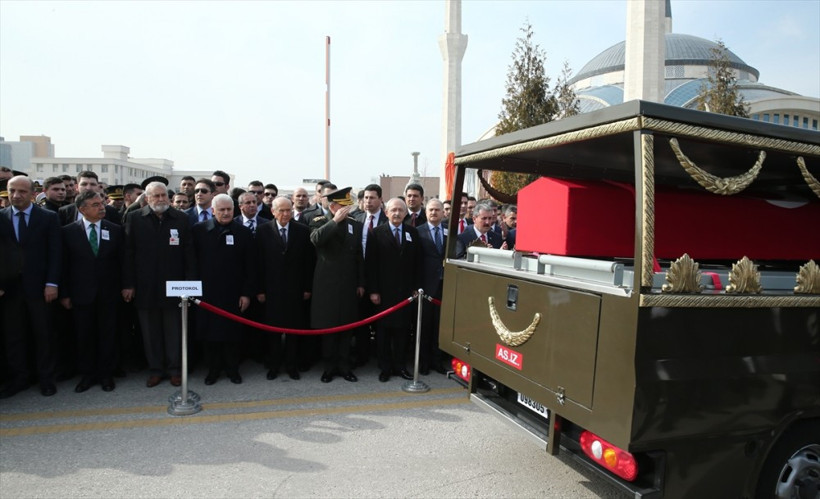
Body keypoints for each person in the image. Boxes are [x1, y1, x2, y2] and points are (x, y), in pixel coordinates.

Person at [123, 181, 196, 388]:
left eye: (164, 195)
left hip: (175, 285)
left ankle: (174, 370)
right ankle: (155, 369)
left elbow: (189, 253)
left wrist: (190, 283)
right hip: (145, 285)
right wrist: (128, 283)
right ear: (147, 198)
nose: (161, 200)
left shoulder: (181, 218)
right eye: (156, 196)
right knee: (149, 331)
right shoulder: (134, 217)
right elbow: (128, 252)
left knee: (174, 331)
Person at [0, 175, 62, 398]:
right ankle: (19, 378)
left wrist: (52, 283)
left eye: (22, 191)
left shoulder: (47, 218)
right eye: (11, 190)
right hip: (9, 290)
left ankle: (46, 378)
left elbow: (55, 253)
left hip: (40, 288)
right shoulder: (1, 217)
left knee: (43, 334)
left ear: (33, 193)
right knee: (13, 336)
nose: (16, 195)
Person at [60, 190, 125, 393]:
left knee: (108, 335)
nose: (102, 207)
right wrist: (65, 294)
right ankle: (87, 375)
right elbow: (63, 265)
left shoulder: (115, 230)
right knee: (84, 336)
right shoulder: (68, 232)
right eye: (95, 205)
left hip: (109, 293)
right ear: (82, 209)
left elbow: (123, 263)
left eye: (101, 203)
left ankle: (106, 375)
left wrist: (126, 286)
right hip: (81, 295)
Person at [192, 194, 254, 385]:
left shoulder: (243, 233)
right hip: (207, 294)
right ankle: (213, 370)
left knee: (232, 335)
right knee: (210, 335)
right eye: (222, 210)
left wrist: (246, 293)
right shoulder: (199, 231)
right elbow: (192, 263)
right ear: (213, 211)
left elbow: (250, 266)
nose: (226, 213)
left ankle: (233, 370)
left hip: (233, 294)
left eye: (229, 209)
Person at [309, 185, 364, 383]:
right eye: (343, 205)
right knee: (329, 328)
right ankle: (329, 367)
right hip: (327, 285)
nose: (347, 209)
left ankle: (344, 366)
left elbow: (358, 256)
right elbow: (316, 239)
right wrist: (334, 221)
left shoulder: (355, 225)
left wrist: (360, 282)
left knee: (347, 327)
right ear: (333, 207)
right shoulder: (320, 221)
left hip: (348, 284)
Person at [257, 196, 315, 380]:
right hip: (271, 290)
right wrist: (260, 290)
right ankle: (274, 365)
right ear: (273, 211)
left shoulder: (302, 231)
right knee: (273, 332)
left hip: (295, 290)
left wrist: (307, 288)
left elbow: (308, 262)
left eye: (288, 210)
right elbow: (257, 263)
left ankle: (292, 365)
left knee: (293, 331)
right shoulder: (263, 230)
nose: (285, 214)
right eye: (281, 210)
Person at [366, 197, 422, 382]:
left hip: (406, 294)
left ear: (406, 213)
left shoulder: (412, 233)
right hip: (383, 292)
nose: (397, 213)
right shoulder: (376, 233)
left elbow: (416, 263)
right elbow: (371, 264)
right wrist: (373, 290)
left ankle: (400, 366)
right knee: (383, 333)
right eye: (393, 210)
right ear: (386, 212)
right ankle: (385, 367)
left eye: (400, 210)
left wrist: (415, 287)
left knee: (402, 332)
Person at [415, 199, 448, 375]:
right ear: (426, 212)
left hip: (443, 286)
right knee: (424, 327)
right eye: (430, 210)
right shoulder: (418, 232)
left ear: (443, 212)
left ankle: (437, 361)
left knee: (439, 327)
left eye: (437, 210)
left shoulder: (448, 231)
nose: (434, 213)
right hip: (424, 288)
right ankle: (423, 363)